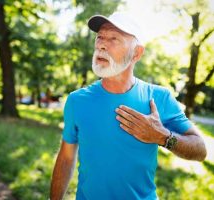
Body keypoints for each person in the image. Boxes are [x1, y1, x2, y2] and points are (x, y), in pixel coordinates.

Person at [50, 12, 207, 200]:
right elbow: (66, 158)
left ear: (136, 53)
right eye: (100, 37)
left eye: (114, 38)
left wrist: (163, 137)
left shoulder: (159, 97)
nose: (101, 44)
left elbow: (200, 150)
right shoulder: (77, 100)